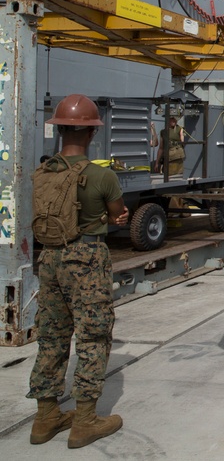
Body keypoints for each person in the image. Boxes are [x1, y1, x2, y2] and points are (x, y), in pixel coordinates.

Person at [26, 94, 129, 448]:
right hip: (86, 259)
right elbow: (117, 213)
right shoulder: (101, 176)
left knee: (51, 336)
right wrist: (114, 216)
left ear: (59, 131)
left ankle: (45, 416)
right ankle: (84, 420)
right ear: (90, 134)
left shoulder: (41, 173)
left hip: (49, 260)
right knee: (93, 336)